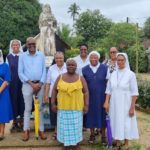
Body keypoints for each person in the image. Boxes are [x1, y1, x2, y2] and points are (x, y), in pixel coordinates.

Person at [51, 59, 89, 150]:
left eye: (73, 65)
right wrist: (53, 103)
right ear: (66, 66)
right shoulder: (60, 77)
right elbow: (54, 90)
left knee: (76, 127)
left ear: (76, 67)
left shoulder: (81, 78)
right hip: (63, 108)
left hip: (76, 108)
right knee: (63, 127)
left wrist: (86, 105)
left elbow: (86, 92)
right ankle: (64, 144)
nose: (71, 66)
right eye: (69, 65)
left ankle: (75, 144)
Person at [104, 53, 139, 150]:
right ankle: (118, 143)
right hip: (114, 104)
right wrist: (106, 102)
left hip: (126, 103)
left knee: (126, 122)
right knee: (115, 121)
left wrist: (132, 107)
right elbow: (108, 90)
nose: (120, 62)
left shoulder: (131, 74)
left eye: (122, 60)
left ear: (125, 61)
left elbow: (134, 92)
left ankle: (126, 144)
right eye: (118, 60)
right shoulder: (113, 74)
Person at [18, 37, 47, 141]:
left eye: (33, 43)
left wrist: (40, 83)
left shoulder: (41, 55)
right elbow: (20, 72)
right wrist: (31, 83)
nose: (31, 45)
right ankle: (26, 130)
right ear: (26, 44)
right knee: (28, 109)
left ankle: (41, 130)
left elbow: (44, 70)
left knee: (39, 109)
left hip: (40, 85)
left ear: (36, 44)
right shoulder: (22, 56)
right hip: (27, 85)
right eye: (29, 44)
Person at [82, 51, 107, 144]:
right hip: (90, 97)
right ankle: (92, 134)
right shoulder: (84, 69)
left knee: (103, 115)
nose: (93, 59)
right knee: (91, 115)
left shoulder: (105, 68)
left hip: (102, 97)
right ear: (89, 58)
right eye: (91, 57)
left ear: (98, 58)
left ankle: (103, 135)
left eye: (95, 57)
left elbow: (108, 83)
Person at [44, 52, 67, 140]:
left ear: (63, 58)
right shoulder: (51, 68)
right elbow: (48, 82)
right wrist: (46, 95)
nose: (59, 60)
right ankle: (56, 131)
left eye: (60, 58)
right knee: (54, 113)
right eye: (57, 58)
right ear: (55, 59)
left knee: (64, 113)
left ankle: (64, 132)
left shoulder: (67, 67)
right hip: (53, 95)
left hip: (65, 95)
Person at [6, 39, 24, 132]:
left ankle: (22, 121)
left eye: (17, 45)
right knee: (13, 101)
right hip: (12, 83)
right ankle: (14, 122)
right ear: (11, 46)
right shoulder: (8, 57)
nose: (15, 46)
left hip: (22, 82)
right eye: (14, 45)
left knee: (22, 100)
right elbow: (7, 70)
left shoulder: (23, 56)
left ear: (19, 46)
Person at [0, 50, 13, 140]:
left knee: (2, 112)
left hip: (3, 92)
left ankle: (1, 133)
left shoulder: (5, 66)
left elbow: (7, 80)